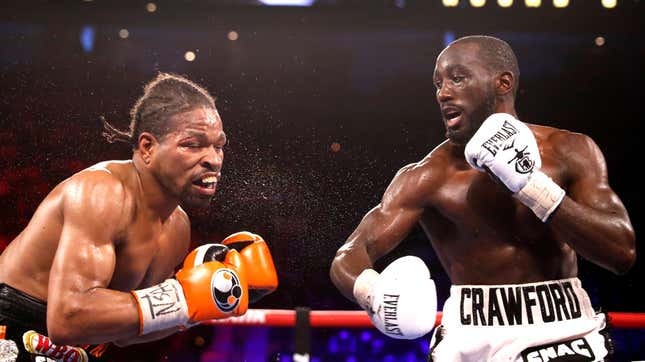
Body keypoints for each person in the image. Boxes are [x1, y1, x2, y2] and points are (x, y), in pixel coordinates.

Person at [329, 35, 636, 361]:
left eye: (458, 78)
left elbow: (621, 252)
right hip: (470, 339)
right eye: (438, 83)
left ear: (502, 83)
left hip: (564, 332)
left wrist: (532, 186)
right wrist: (373, 292)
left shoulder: (570, 151)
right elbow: (350, 254)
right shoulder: (427, 176)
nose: (443, 92)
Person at [0, 73, 278, 361]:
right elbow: (68, 318)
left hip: (80, 352)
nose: (213, 159)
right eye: (193, 145)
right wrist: (181, 296)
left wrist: (207, 304)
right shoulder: (102, 193)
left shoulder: (177, 227)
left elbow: (126, 332)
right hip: (10, 331)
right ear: (147, 148)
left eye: (218, 146)